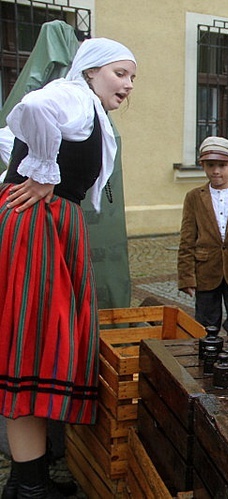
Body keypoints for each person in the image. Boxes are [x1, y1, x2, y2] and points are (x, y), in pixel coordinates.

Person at [0, 38, 136, 497]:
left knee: (34, 351)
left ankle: (25, 482)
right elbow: (32, 107)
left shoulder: (85, 110)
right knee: (33, 348)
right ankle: (30, 487)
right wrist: (39, 171)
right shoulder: (73, 96)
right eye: (121, 73)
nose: (128, 84)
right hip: (39, 226)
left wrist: (22, 165)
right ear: (92, 71)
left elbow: (7, 135)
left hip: (51, 225)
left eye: (132, 77)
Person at [178, 136, 228, 333]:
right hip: (206, 272)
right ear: (203, 166)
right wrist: (186, 278)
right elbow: (187, 239)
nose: (216, 171)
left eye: (222, 165)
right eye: (210, 165)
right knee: (205, 326)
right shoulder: (194, 197)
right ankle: (208, 360)